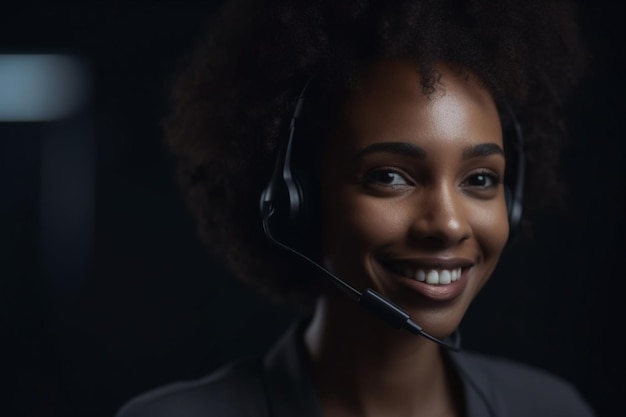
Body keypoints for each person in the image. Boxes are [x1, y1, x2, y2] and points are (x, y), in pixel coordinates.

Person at [116, 0, 595, 415]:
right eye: (389, 176)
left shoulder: (553, 409)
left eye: (480, 179)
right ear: (294, 198)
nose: (448, 224)